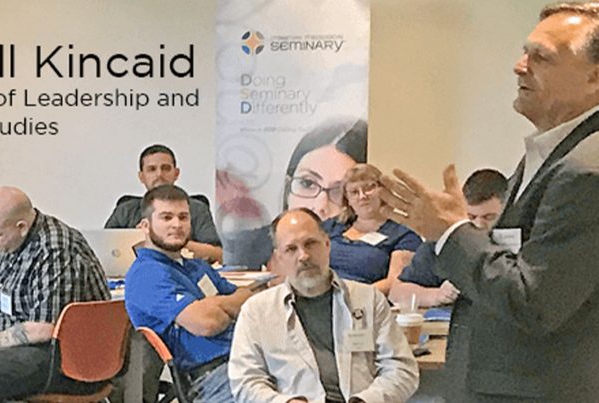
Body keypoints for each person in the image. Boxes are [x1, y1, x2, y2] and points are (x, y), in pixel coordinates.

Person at [379, 2, 599, 401]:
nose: (519, 66)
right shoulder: (557, 153)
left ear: (594, 76)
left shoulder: (587, 170)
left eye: (541, 57)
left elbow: (535, 301)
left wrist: (452, 232)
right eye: (524, 52)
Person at [228, 208, 419, 403]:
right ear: (279, 258)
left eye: (310, 243)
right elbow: (245, 382)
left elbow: (401, 369)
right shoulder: (256, 312)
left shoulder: (369, 299)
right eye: (291, 249)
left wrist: (366, 400)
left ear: (327, 245)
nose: (303, 256)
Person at [125, 184, 259, 403]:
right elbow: (207, 323)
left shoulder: (197, 267)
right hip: (210, 377)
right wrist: (226, 307)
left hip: (246, 360)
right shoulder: (147, 274)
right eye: (166, 217)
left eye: (183, 217)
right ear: (145, 226)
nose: (176, 224)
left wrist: (216, 305)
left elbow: (251, 302)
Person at [0, 186, 110, 400]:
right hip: (29, 349)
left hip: (69, 359)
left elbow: (44, 329)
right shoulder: (12, 242)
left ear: (21, 227)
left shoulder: (54, 248)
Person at [224, 118, 367, 268]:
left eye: (339, 191)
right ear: (288, 189)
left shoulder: (363, 250)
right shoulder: (246, 247)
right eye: (307, 183)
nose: (320, 206)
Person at [391, 168, 507, 307]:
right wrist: (436, 295)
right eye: (471, 217)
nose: (479, 224)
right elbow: (396, 293)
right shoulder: (444, 240)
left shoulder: (515, 241)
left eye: (489, 217)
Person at [105, 144, 222, 263]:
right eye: (152, 169)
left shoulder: (197, 208)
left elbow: (218, 254)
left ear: (176, 173)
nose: (159, 174)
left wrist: (172, 240)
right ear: (141, 176)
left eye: (166, 168)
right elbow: (103, 248)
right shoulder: (125, 210)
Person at [322, 163, 422, 296]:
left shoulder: (404, 234)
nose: (362, 196)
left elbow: (395, 283)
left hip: (363, 300)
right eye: (354, 192)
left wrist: (351, 296)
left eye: (369, 188)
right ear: (347, 200)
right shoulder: (332, 226)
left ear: (383, 192)